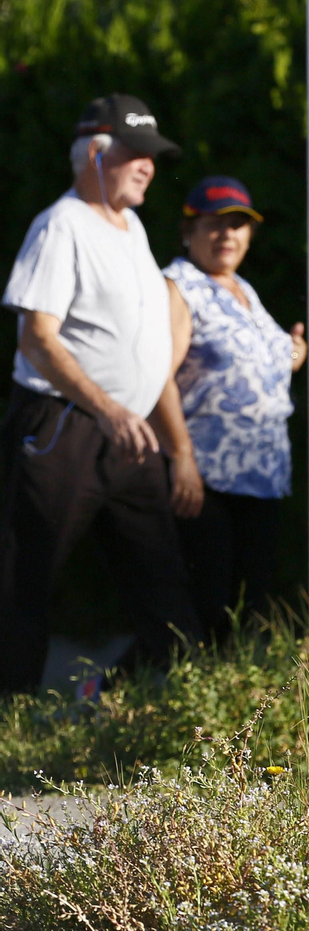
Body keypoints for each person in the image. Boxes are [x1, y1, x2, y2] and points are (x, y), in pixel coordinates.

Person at [0, 93, 203, 697]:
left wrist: (176, 444)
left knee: (163, 586)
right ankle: (10, 728)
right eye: (135, 153)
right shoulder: (61, 226)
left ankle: (139, 712)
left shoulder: (131, 227)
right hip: (62, 426)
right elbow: (37, 339)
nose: (148, 165)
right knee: (22, 581)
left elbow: (144, 346)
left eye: (153, 156)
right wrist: (108, 408)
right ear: (94, 153)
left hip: (129, 433)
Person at [163, 177, 306, 641]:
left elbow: (251, 364)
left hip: (261, 478)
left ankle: (231, 710)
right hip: (208, 480)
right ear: (188, 232)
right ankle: (102, 693)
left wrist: (293, 352)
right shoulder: (180, 286)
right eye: (213, 224)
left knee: (247, 612)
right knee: (204, 612)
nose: (227, 235)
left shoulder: (242, 289)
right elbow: (157, 375)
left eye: (238, 225)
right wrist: (182, 457)